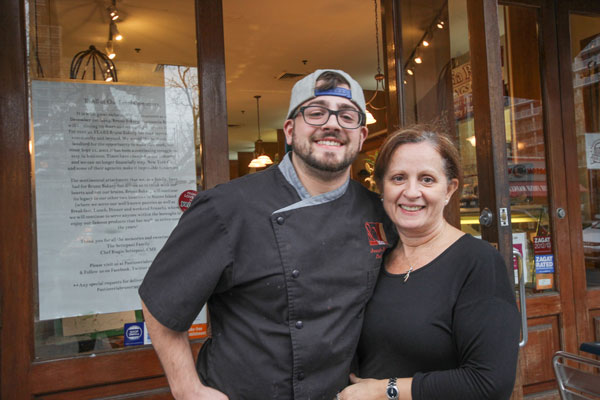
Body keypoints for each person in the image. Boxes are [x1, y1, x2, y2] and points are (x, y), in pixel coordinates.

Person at [138, 69, 396, 400]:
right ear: (290, 130)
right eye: (315, 113)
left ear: (361, 136)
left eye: (347, 116)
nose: (332, 124)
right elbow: (160, 300)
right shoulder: (226, 207)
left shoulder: (377, 212)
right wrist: (187, 389)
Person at [338, 127, 521, 400]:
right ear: (381, 188)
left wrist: (383, 390)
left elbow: (489, 383)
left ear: (449, 189)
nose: (411, 192)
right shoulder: (376, 257)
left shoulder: (478, 262)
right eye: (398, 178)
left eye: (427, 179)